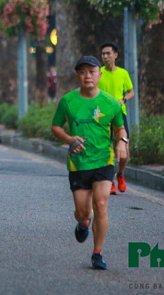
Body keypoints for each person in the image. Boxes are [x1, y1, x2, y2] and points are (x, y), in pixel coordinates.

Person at [51, 55, 127, 271]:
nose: (87, 76)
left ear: (99, 75)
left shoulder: (110, 103)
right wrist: (69, 139)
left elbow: (120, 128)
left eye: (92, 71)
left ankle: (97, 253)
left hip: (104, 161)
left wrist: (122, 141)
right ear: (78, 76)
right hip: (78, 164)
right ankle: (84, 223)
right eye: (83, 72)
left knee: (101, 204)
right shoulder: (68, 101)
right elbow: (56, 127)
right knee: (83, 212)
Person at [98, 42, 134, 195]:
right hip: (102, 116)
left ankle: (120, 174)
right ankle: (110, 180)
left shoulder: (123, 73)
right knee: (107, 150)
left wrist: (123, 100)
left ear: (115, 55)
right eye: (103, 54)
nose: (105, 56)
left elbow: (131, 92)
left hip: (120, 114)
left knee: (124, 149)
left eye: (108, 53)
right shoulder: (97, 73)